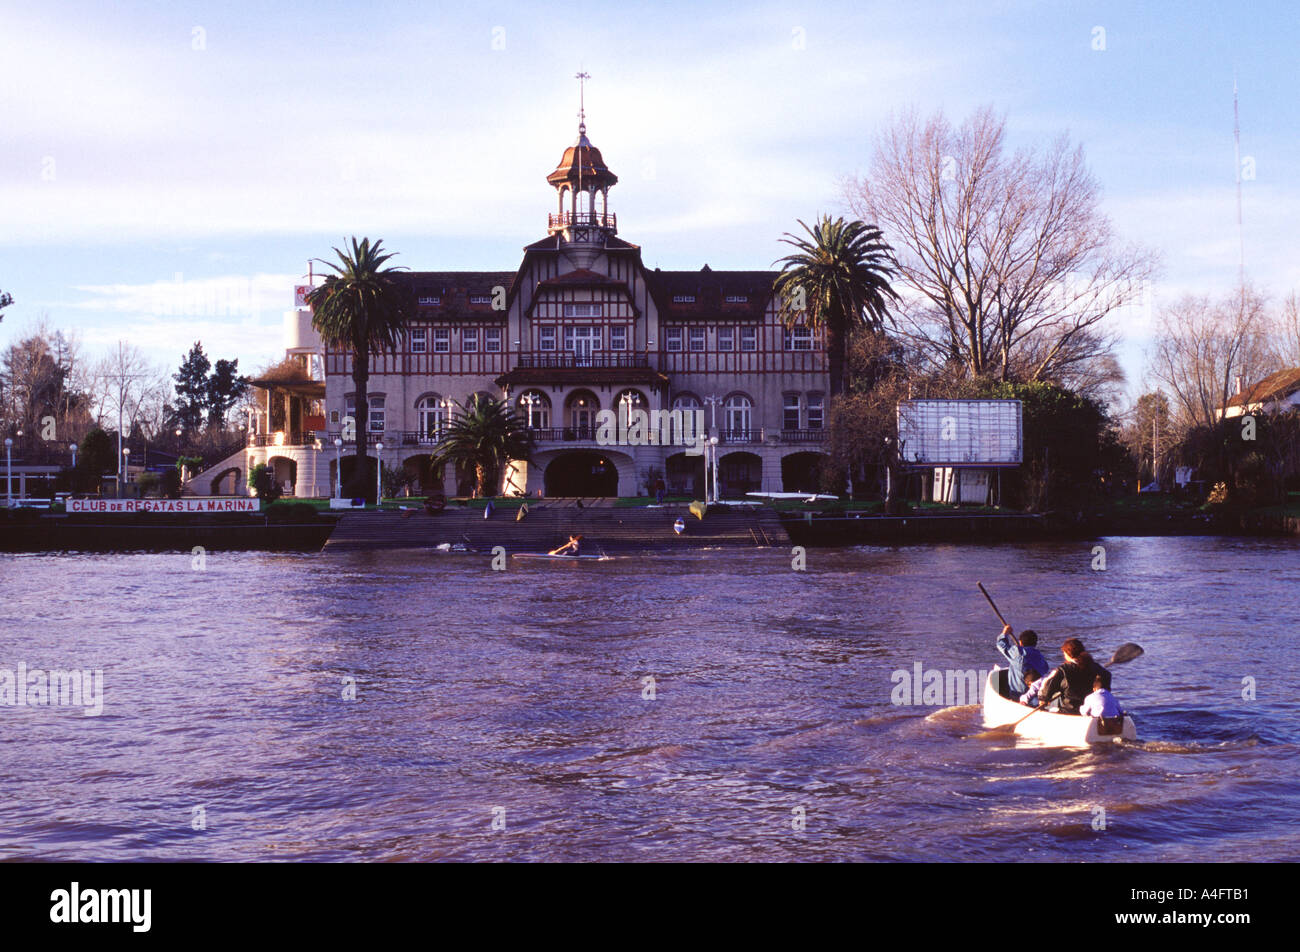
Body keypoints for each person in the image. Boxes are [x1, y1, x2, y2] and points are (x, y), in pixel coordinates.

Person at [1037, 638, 1112, 715]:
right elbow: (1107, 675)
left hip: (1070, 711)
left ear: (1067, 653)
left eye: (1064, 653)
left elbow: (1047, 689)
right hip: (1092, 710)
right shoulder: (1096, 667)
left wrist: (1043, 699)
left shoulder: (1063, 670)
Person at [996, 625, 1051, 697]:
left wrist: (1005, 633)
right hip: (1035, 695)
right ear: (1035, 643)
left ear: (1020, 642)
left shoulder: (1018, 653)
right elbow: (1045, 669)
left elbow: (1001, 645)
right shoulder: (1039, 656)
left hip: (1018, 694)